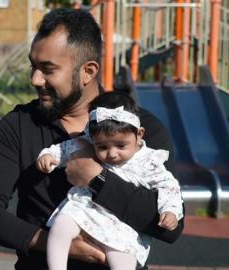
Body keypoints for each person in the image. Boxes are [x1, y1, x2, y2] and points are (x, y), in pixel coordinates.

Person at [0, 8, 184, 270]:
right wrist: (54, 243)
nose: (35, 79)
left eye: (48, 69)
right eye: (33, 66)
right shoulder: (19, 125)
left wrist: (98, 180)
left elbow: (170, 228)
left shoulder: (141, 129)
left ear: (88, 71)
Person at [37, 92, 183, 270]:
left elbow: (168, 185)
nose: (112, 154)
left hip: (120, 223)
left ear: (139, 135)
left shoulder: (149, 160)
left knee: (123, 259)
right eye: (103, 147)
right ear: (92, 139)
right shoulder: (87, 143)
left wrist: (170, 210)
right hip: (86, 208)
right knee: (61, 226)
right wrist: (48, 156)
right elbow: (63, 149)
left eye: (121, 145)